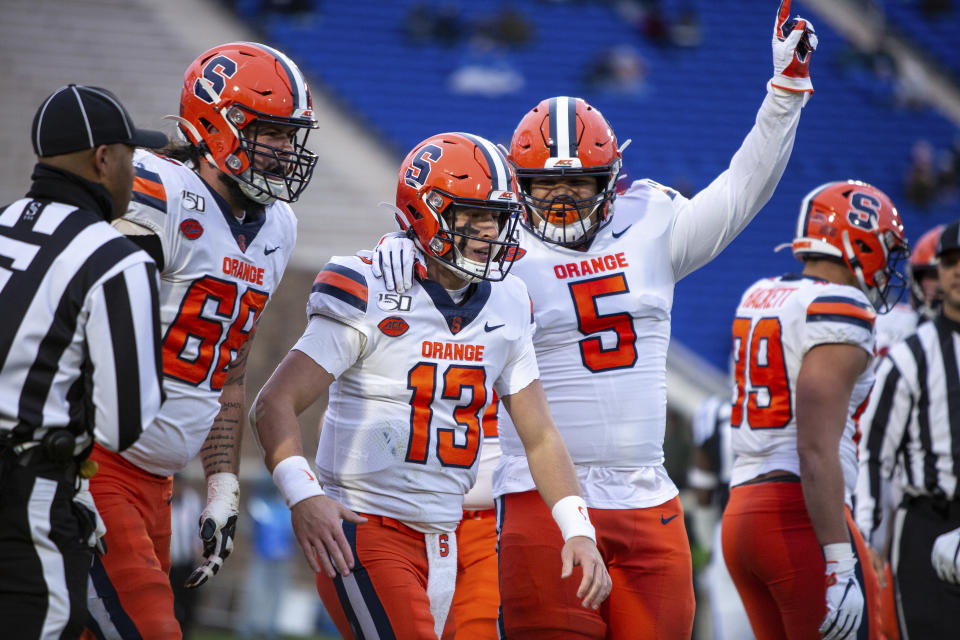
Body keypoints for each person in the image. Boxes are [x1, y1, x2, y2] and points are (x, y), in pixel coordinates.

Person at [374, 2, 817, 636]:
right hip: (543, 495)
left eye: (578, 185)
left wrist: (784, 94)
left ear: (611, 179)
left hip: (646, 493)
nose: (560, 199)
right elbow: (426, 250)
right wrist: (399, 248)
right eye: (545, 186)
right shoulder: (500, 252)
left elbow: (740, 192)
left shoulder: (651, 222)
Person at [250, 132, 611, 640]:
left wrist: (578, 530)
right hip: (367, 525)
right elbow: (275, 403)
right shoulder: (370, 286)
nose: (492, 232)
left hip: (448, 539)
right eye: (475, 215)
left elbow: (541, 435)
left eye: (499, 216)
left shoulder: (509, 302)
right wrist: (303, 494)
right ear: (426, 213)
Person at [83, 42, 319, 639]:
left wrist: (222, 479)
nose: (285, 151)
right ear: (217, 124)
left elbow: (229, 368)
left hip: (157, 483)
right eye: (270, 133)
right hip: (95, 463)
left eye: (291, 136)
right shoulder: (156, 193)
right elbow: (75, 324)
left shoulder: (278, 228)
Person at [0, 84, 166, 639]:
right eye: (130, 157)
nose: (133, 172)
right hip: (26, 491)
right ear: (104, 159)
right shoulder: (113, 260)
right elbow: (125, 424)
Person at [722, 180, 907, 639]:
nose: (887, 264)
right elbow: (814, 446)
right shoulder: (839, 306)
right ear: (857, 240)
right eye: (883, 248)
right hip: (800, 515)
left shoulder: (760, 293)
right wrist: (839, 560)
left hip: (742, 511)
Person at [855, 218, 960, 638]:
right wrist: (867, 534)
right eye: (949, 263)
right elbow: (875, 450)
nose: (956, 273)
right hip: (925, 517)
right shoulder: (909, 354)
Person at [688, 395, 754, 640]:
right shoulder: (802, 402)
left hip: (731, 527)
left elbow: (702, 488)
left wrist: (706, 545)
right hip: (787, 527)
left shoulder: (716, 411)